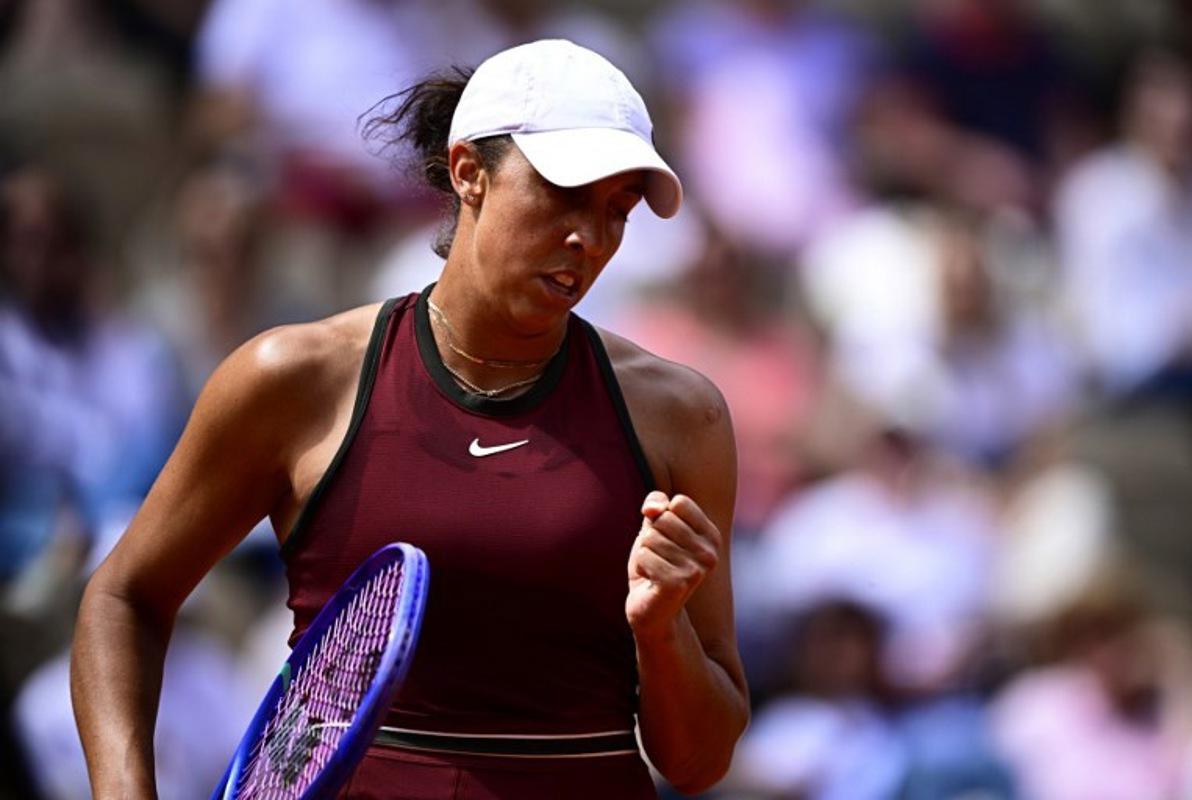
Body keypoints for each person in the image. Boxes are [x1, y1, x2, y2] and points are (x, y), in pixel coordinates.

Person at [70, 39, 749, 799]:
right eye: (564, 195)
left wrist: (662, 631)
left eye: (617, 211)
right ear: (469, 172)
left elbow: (699, 763)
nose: (589, 240)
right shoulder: (295, 379)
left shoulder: (681, 416)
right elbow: (124, 598)